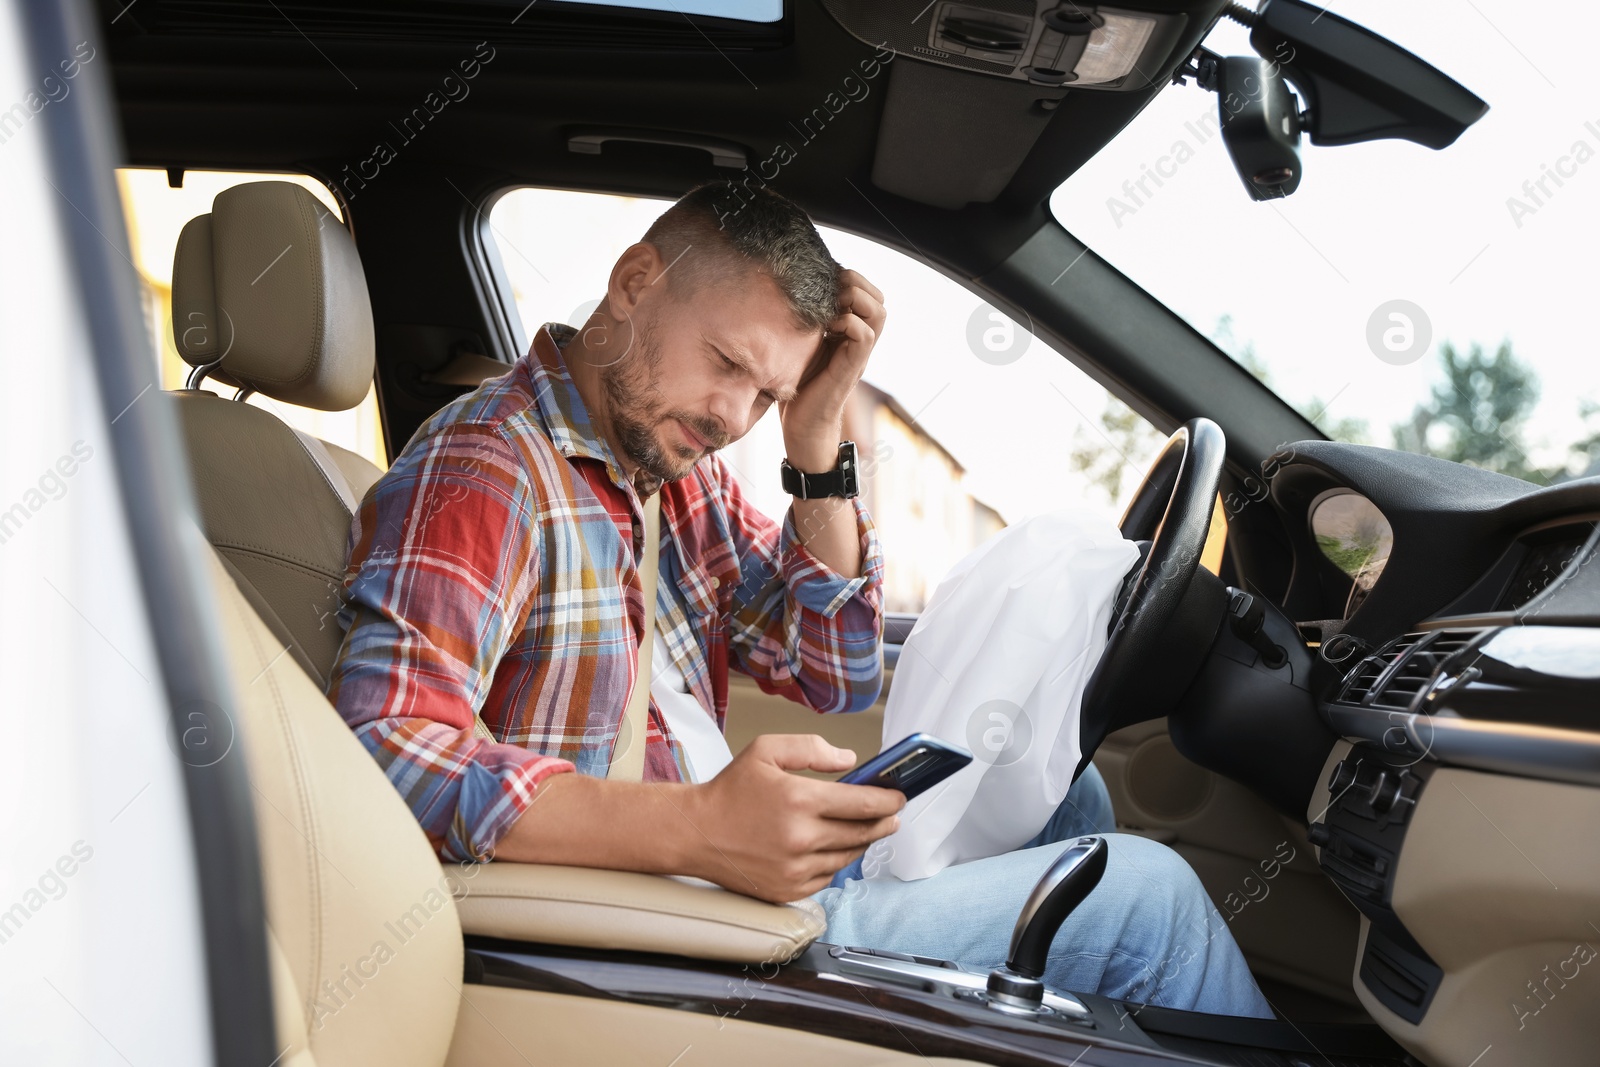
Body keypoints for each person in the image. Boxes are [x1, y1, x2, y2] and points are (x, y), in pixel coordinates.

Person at [326, 180, 1273, 1019]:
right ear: (633, 280)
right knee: (1151, 898)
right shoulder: (487, 470)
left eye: (767, 392)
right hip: (654, 921)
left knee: (1071, 793)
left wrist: (815, 440)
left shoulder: (669, 467)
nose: (736, 418)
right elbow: (386, 750)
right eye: (729, 365)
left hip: (718, 867)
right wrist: (699, 829)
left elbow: (834, 671)